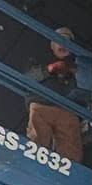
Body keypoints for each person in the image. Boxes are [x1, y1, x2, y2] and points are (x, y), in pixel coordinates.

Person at [26, 28, 85, 162]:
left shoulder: (77, 66)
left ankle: (70, 169)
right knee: (37, 143)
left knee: (71, 150)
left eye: (67, 42)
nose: (64, 45)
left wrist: (73, 73)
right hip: (42, 103)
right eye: (60, 41)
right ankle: (34, 163)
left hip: (67, 109)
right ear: (52, 45)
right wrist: (50, 69)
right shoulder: (38, 59)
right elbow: (27, 78)